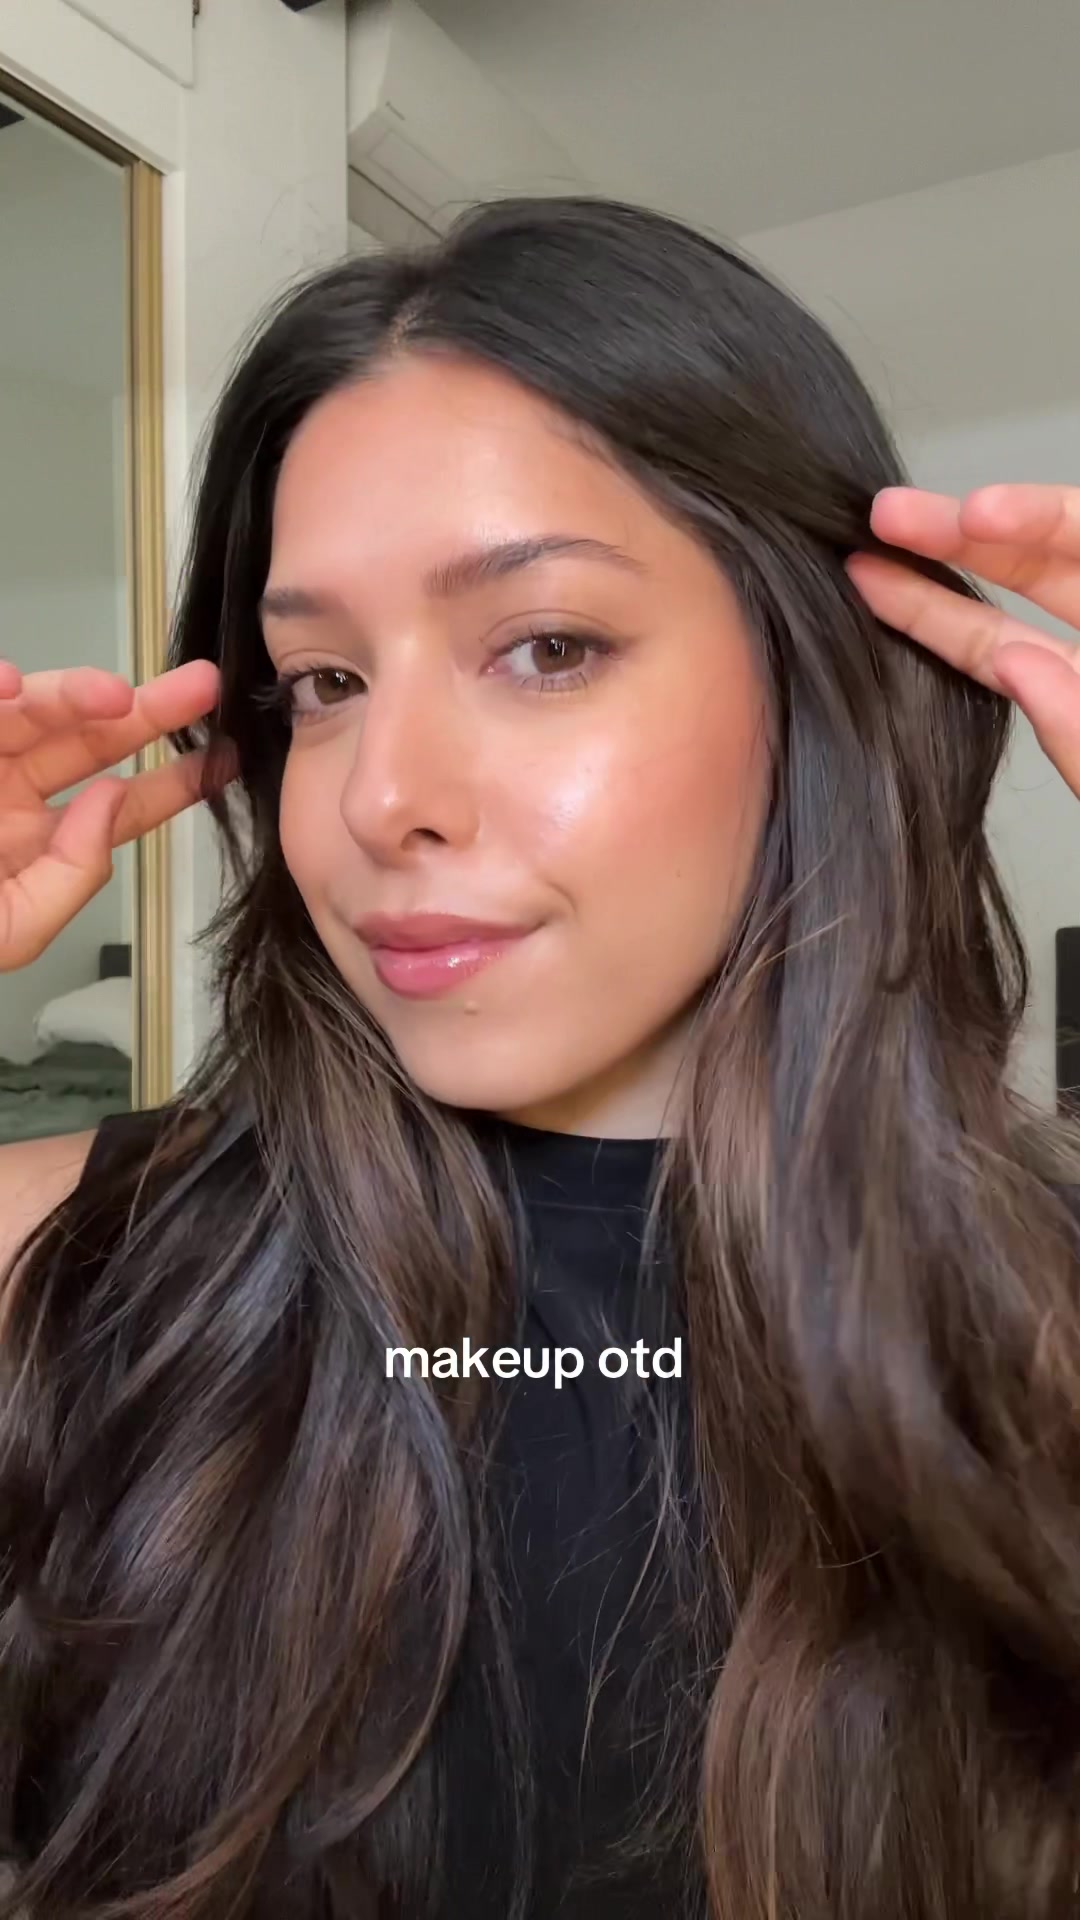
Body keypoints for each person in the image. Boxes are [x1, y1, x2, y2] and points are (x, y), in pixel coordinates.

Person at [1, 194, 1079, 1920]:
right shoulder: (73, 1272)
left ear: (820, 682)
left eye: (547, 647)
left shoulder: (1046, 1336)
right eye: (323, 681)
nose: (380, 799)